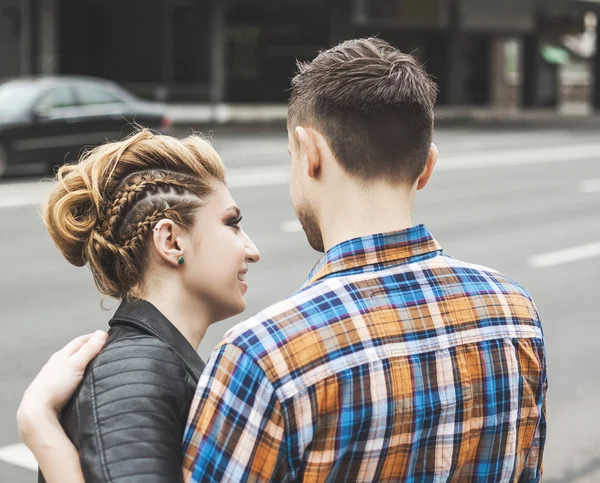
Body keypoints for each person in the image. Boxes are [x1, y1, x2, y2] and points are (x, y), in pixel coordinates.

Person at [19, 37, 546, 482]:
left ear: (309, 151)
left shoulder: (267, 355)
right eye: (232, 223)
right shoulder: (515, 313)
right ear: (426, 166)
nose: (251, 247)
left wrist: (43, 432)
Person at [17, 129, 260, 483]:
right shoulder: (137, 370)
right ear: (171, 241)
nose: (252, 250)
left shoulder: (147, 362)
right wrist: (37, 424)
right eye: (232, 224)